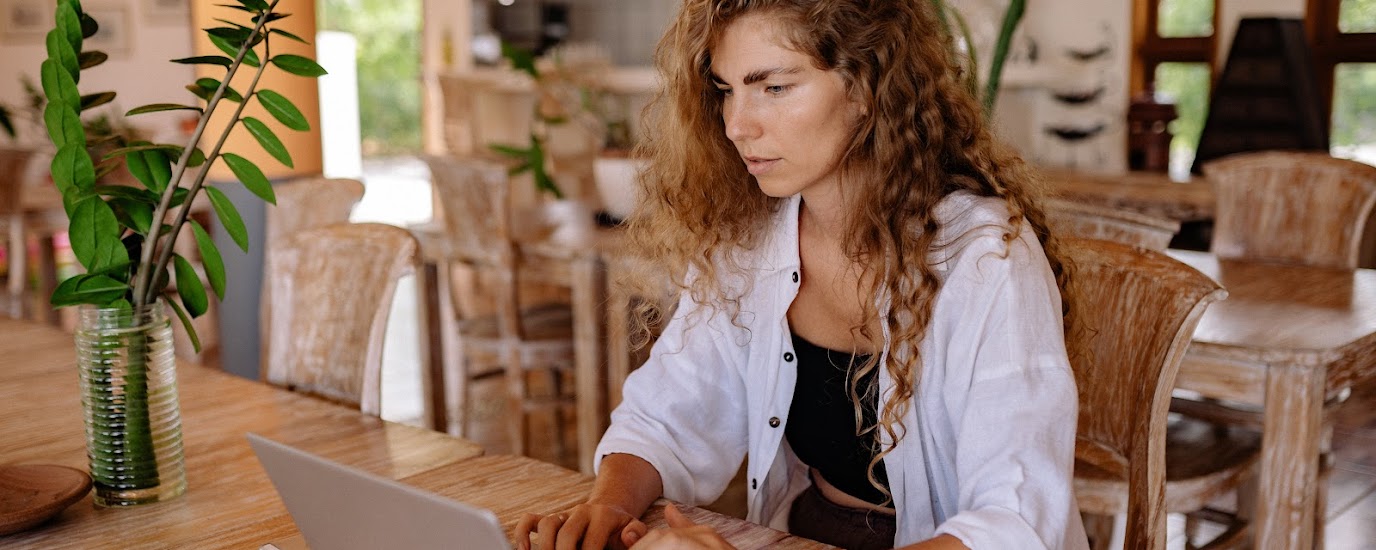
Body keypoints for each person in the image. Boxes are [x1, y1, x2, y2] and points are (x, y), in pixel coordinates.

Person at [517, 1, 1087, 548]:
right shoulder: (751, 237)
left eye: (774, 87)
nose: (738, 125)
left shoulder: (983, 256)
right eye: (726, 90)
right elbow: (669, 413)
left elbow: (1014, 522)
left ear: (867, 85)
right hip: (807, 531)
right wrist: (609, 510)